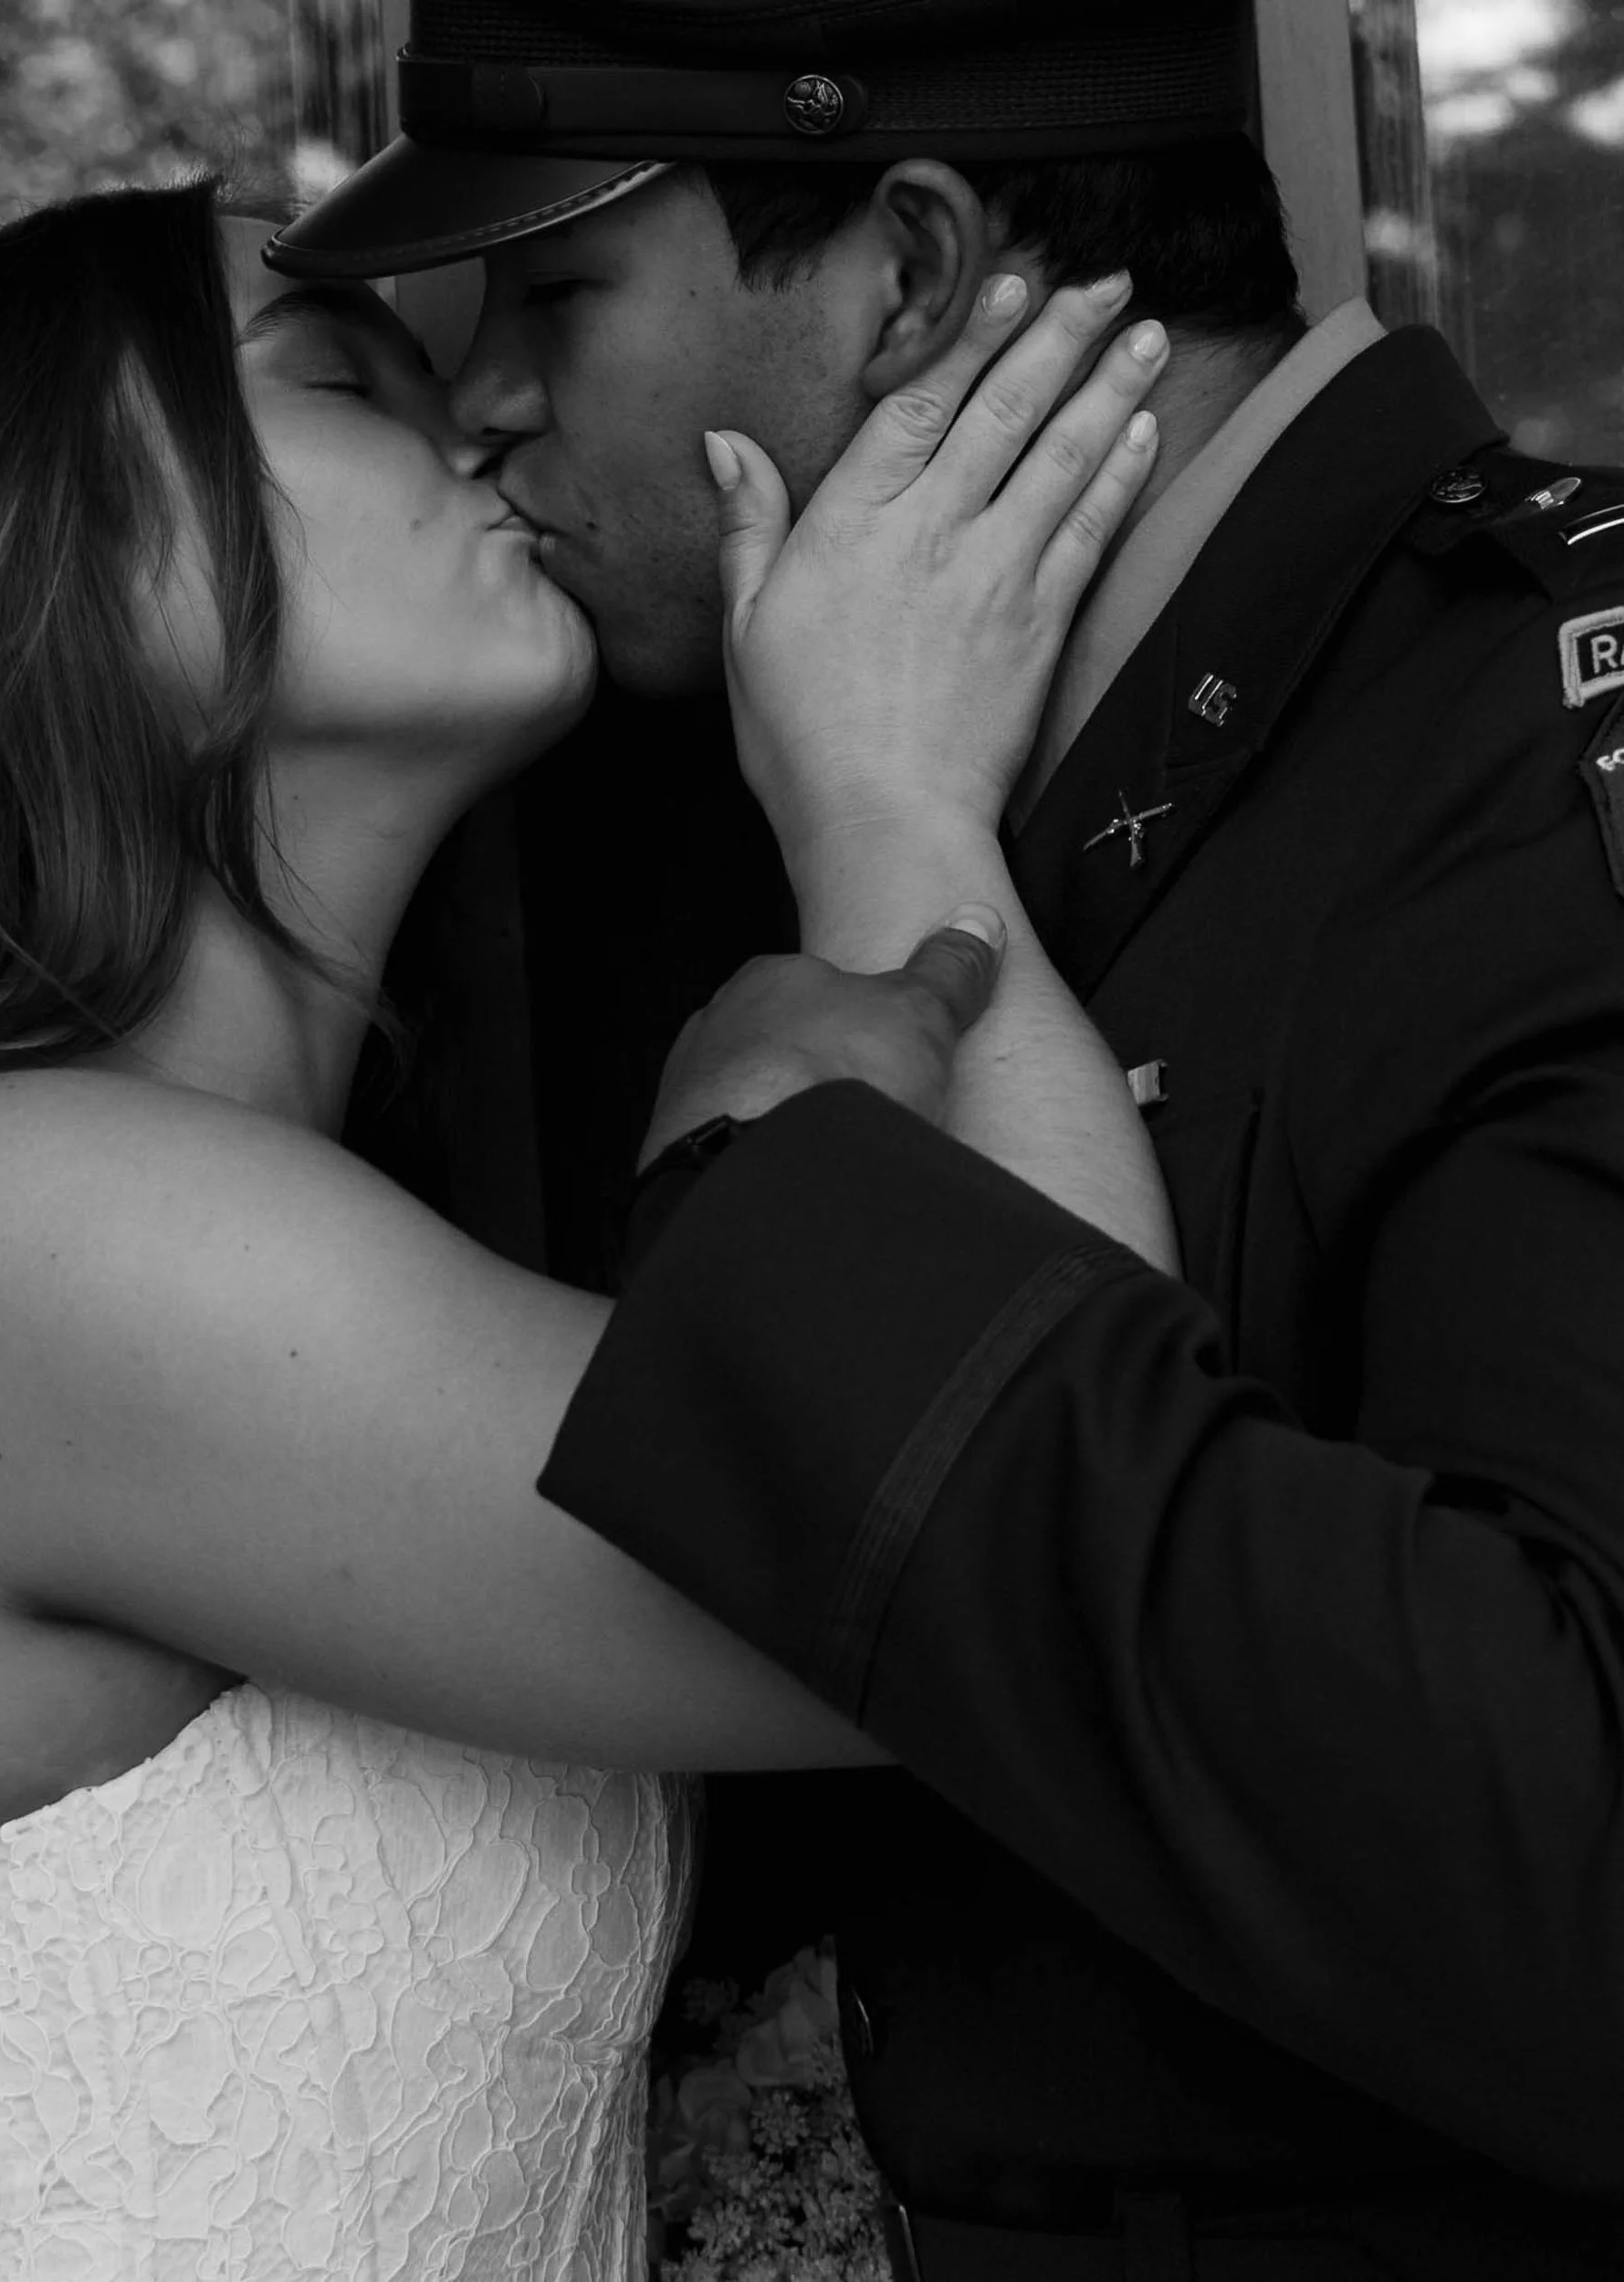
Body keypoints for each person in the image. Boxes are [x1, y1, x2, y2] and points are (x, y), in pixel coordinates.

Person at [267, 0, 1624, 2274]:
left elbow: (1574, 1888)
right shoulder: (674, 770)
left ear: (907, 270)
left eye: (554, 289)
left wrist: (808, 1218)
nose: (478, 394)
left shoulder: (1535, 723)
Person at [0, 172, 1170, 2275]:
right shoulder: (6, 1229)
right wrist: (887, 796)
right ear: (64, 551)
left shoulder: (217, 1228)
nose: (484, 421)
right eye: (341, 375)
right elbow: (1058, 1559)